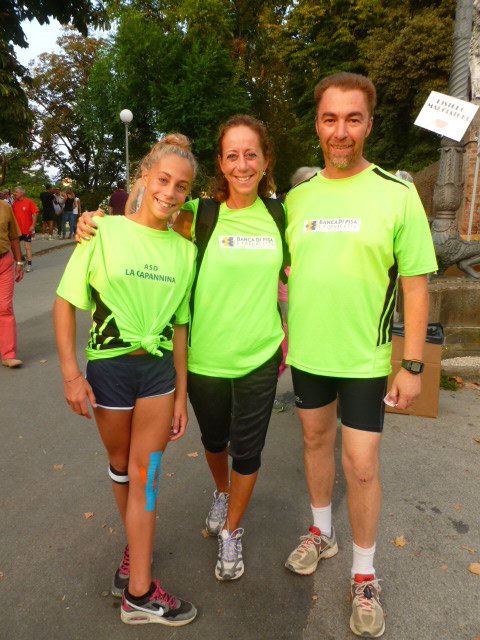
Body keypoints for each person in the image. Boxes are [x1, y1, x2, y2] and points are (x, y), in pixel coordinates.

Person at [77, 115, 286, 583]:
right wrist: (94, 223)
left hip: (261, 353)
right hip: (205, 358)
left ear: (265, 160)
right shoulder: (197, 214)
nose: (243, 164)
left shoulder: (281, 216)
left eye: (251, 154)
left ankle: (232, 528)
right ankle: (221, 492)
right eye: (232, 155)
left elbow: (305, 271)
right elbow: (148, 215)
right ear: (221, 163)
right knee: (215, 441)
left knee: (248, 450)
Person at [284, 72, 437, 638]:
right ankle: (322, 532)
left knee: (363, 466)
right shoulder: (297, 199)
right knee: (313, 441)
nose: (341, 131)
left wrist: (413, 364)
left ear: (369, 125)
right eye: (331, 119)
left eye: (353, 119)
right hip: (309, 354)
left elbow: (415, 284)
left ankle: (365, 574)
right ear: (318, 125)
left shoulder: (396, 195)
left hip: (366, 360)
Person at [54, 134, 198, 627]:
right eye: (163, 180)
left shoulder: (186, 252)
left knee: (146, 476)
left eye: (181, 186)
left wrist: (181, 395)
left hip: (157, 375)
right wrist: (71, 375)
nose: (170, 192)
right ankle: (136, 555)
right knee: (122, 467)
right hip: (110, 372)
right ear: (145, 177)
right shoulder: (102, 232)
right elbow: (65, 302)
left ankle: (139, 591)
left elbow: (181, 327)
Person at [0, 198, 24, 367]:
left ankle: (8, 354)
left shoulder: (4, 207)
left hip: (4, 263)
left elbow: (14, 237)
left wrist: (19, 262)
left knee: (5, 307)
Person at [12, 187, 39, 272]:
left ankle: (29, 265)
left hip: (27, 229)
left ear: (22, 193)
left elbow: (35, 213)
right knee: (15, 247)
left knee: (27, 247)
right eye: (15, 192)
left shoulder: (29, 202)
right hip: (17, 229)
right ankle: (23, 260)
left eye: (16, 192)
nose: (15, 193)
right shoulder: (14, 203)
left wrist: (33, 225)